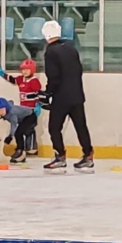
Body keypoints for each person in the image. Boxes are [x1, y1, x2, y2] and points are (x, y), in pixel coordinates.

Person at [40, 20, 94, 173]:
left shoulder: (51, 51)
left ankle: (60, 157)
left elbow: (54, 76)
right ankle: (88, 155)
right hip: (77, 95)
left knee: (54, 128)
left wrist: (48, 93)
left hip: (61, 97)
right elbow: (79, 70)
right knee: (81, 126)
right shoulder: (71, 48)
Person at [0, 59, 42, 155]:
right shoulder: (21, 79)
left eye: (27, 69)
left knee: (30, 129)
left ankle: (32, 148)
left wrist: (38, 105)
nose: (24, 71)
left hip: (31, 109)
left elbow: (39, 94)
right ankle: (22, 147)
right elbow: (12, 79)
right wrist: (2, 74)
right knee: (21, 129)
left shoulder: (34, 81)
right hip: (23, 109)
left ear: (32, 70)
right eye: (23, 69)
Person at [0, 97, 40, 165]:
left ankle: (21, 153)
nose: (0, 113)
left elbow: (14, 125)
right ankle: (20, 150)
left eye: (2, 110)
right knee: (18, 133)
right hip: (24, 118)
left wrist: (10, 136)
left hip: (30, 117)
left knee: (18, 133)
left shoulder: (12, 113)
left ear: (6, 108)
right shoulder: (6, 111)